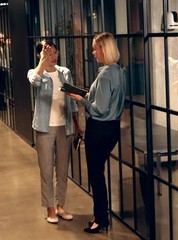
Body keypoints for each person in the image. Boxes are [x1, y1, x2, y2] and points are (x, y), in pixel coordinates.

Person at [68, 32, 126, 234]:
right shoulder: (118, 71)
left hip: (99, 130)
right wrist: (87, 94)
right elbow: (107, 101)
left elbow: (98, 109)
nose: (93, 53)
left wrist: (81, 100)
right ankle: (100, 215)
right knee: (98, 174)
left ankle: (100, 219)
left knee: (96, 176)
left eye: (95, 48)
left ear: (104, 49)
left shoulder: (105, 74)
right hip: (112, 129)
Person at [27, 40, 82, 224]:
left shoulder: (64, 72)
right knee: (46, 170)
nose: (54, 56)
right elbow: (34, 81)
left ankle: (60, 205)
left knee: (62, 170)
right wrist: (42, 62)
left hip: (64, 127)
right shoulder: (36, 73)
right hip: (44, 128)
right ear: (40, 55)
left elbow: (73, 100)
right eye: (49, 53)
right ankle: (50, 208)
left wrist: (77, 124)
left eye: (55, 52)